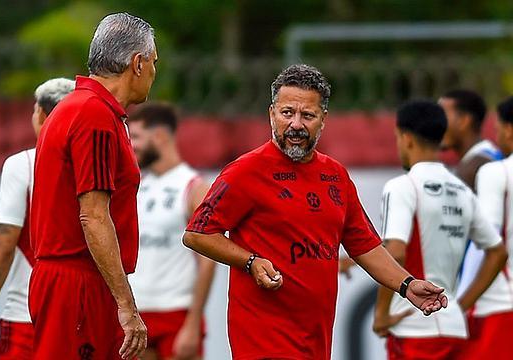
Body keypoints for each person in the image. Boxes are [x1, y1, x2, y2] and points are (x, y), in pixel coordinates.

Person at [182, 64, 449, 360]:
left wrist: (407, 285)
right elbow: (197, 233)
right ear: (272, 114)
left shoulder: (335, 175)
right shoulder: (245, 171)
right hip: (263, 342)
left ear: (323, 120)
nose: (296, 124)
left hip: (315, 341)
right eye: (287, 113)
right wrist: (250, 261)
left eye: (307, 115)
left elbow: (365, 245)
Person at [28, 13, 157, 360]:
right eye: (154, 62)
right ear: (138, 63)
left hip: (73, 279)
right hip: (78, 282)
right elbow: (94, 216)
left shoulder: (80, 108)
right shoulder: (94, 115)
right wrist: (126, 305)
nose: (155, 73)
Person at [373, 100, 507, 360]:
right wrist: (460, 305)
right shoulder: (461, 191)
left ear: (406, 137)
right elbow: (498, 252)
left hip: (414, 327)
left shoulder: (402, 186)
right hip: (454, 326)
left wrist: (381, 313)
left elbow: (396, 252)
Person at [0, 78, 75, 360]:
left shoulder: (23, 165)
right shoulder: (100, 163)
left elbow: (5, 243)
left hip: (27, 314)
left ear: (41, 114)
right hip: (81, 316)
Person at [126, 103, 215, 360]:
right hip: (136, 315)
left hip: (176, 313)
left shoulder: (193, 188)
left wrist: (193, 322)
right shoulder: (135, 186)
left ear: (160, 137)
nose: (132, 145)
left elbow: (208, 263)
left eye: (137, 137)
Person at [464, 97, 513, 358]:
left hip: (502, 306)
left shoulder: (497, 173)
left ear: (509, 129)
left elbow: (488, 247)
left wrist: (461, 304)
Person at [438, 89, 502, 191]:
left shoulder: (472, 169)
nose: (436, 124)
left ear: (463, 121)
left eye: (441, 116)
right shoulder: (490, 154)